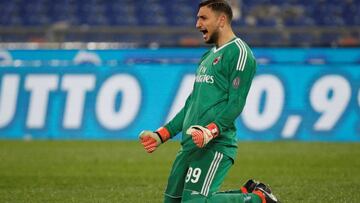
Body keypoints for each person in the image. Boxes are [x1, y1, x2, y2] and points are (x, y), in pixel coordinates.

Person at [139, 0, 279, 202]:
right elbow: (191, 104)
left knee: (194, 202)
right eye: (197, 18)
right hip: (189, 145)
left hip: (215, 144)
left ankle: (259, 200)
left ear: (221, 20)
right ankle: (249, 193)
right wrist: (161, 135)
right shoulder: (207, 56)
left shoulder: (239, 53)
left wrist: (211, 131)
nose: (197, 24)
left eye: (203, 18)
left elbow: (236, 103)